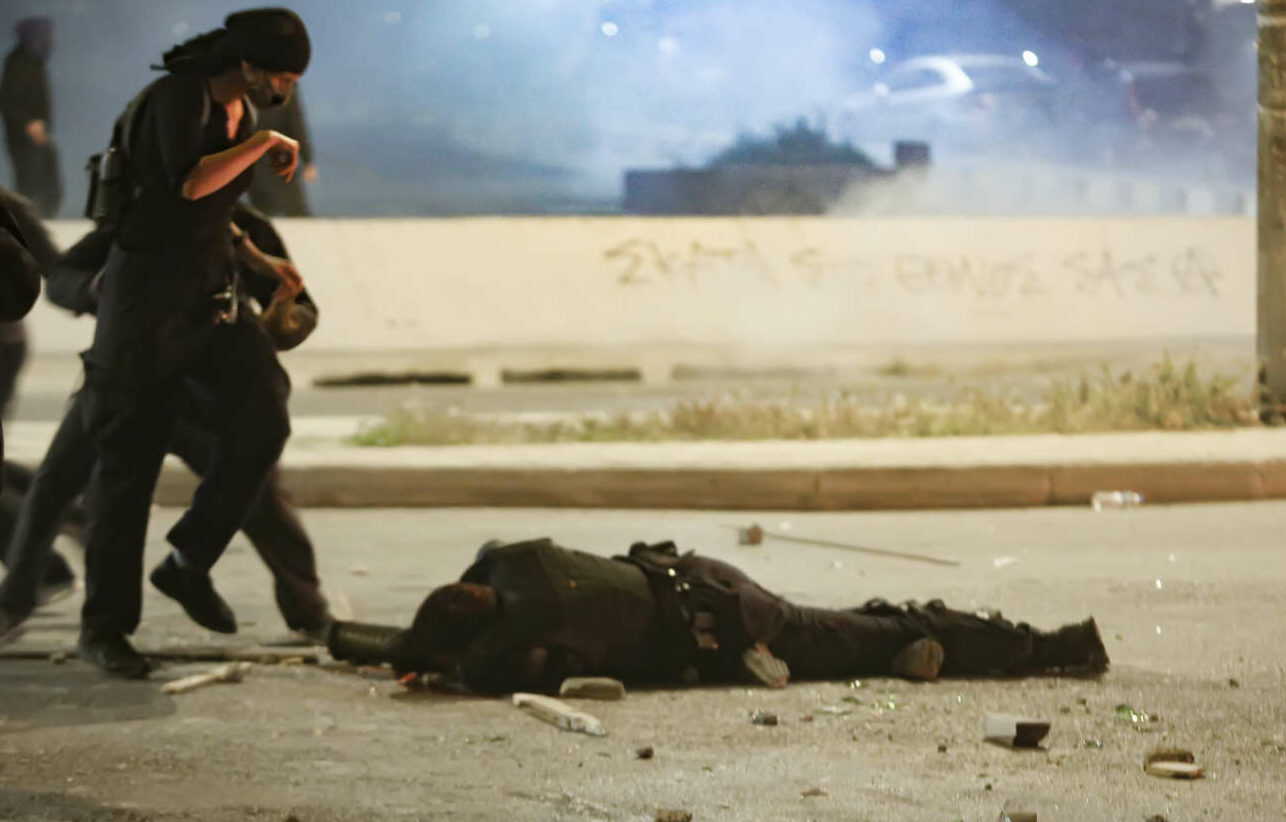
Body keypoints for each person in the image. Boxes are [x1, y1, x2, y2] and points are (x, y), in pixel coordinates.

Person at [76, 8, 311, 678]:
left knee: (263, 418)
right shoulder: (178, 98)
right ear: (247, 64)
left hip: (208, 299)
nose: (284, 90)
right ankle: (105, 629)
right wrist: (262, 145)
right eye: (281, 76)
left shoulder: (240, 110)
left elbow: (215, 211)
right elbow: (189, 183)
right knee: (129, 466)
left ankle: (187, 561)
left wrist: (262, 263)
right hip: (144, 309)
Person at [0, 204, 330, 650]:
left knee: (257, 500)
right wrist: (100, 291)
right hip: (123, 374)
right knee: (56, 483)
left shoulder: (238, 227)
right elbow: (64, 277)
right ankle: (23, 602)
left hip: (206, 392)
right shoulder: (137, 220)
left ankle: (308, 609)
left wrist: (277, 320)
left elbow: (296, 303)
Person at [328, 538, 1110, 695]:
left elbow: (484, 669)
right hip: (697, 578)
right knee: (854, 632)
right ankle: (912, 646)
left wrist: (431, 664)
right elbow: (479, 570)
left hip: (732, 622)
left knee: (872, 634)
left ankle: (1046, 647)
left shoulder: (525, 639)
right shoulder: (511, 564)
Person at [0, 17, 62, 216]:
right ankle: (24, 227)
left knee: (45, 184)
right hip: (24, 138)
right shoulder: (19, 61)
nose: (53, 39)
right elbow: (9, 100)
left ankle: (36, 224)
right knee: (29, 186)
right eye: (48, 34)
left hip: (35, 136)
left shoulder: (32, 62)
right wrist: (29, 123)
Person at [247, 87, 315, 215]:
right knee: (295, 209)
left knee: (261, 211)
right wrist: (307, 161)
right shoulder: (285, 85)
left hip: (254, 157)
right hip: (278, 158)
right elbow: (296, 123)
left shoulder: (251, 85)